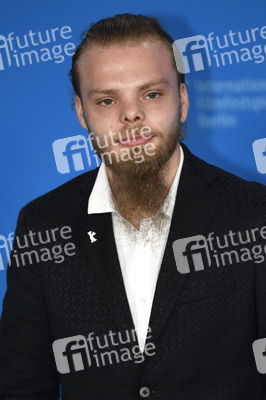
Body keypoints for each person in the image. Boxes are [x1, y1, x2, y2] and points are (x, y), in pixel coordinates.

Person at [0, 13, 266, 400]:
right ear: (81, 113)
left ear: (183, 100)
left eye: (152, 94)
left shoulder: (254, 213)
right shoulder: (42, 225)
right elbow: (21, 384)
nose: (131, 115)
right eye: (107, 100)